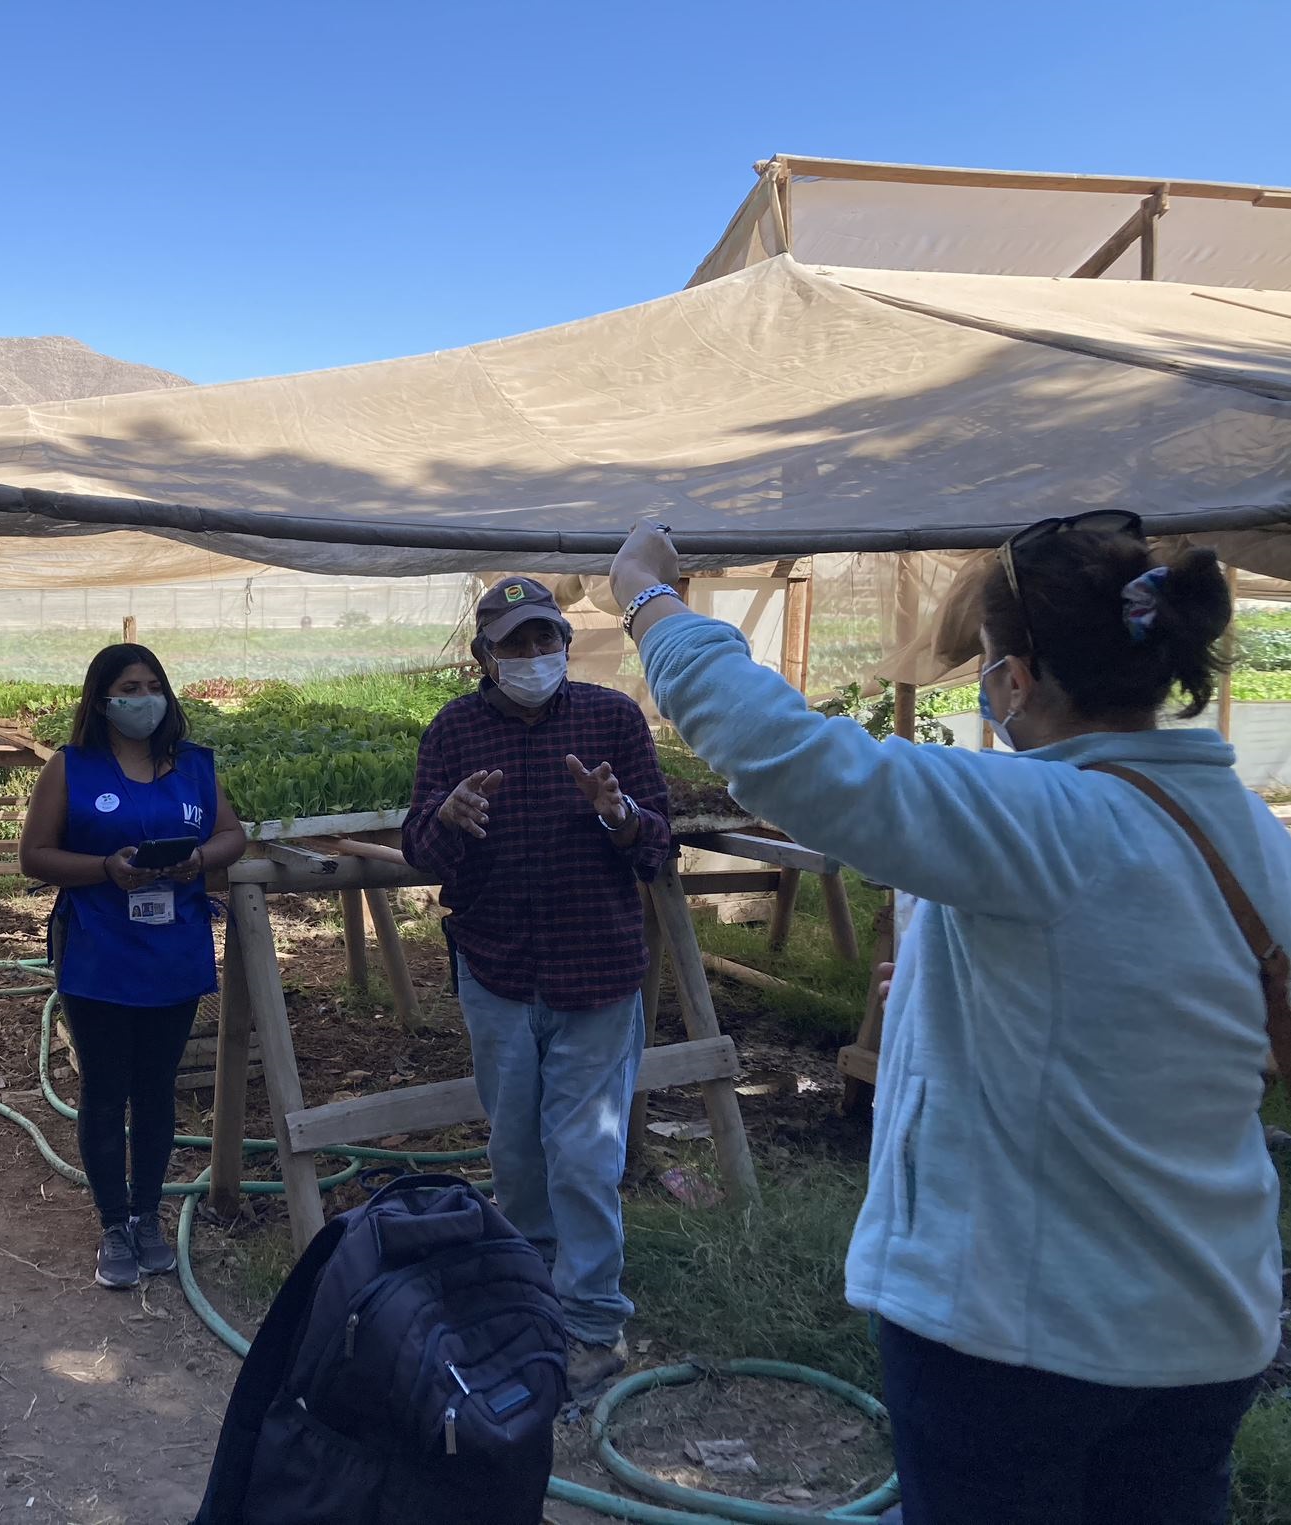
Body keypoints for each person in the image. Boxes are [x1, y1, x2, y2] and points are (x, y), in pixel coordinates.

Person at [613, 515, 1290, 1525]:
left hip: (1026, 1337)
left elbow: (785, 754)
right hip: (1203, 1326)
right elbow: (1141, 1007)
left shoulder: (1044, 817)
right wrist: (939, 1002)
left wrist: (646, 599)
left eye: (982, 662)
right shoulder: (1249, 834)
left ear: (1018, 677)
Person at [400, 576, 673, 1400]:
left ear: (565, 641)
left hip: (597, 970)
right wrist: (445, 821)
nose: (532, 657)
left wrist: (617, 813)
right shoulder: (452, 730)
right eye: (513, 644)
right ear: (482, 656)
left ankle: (591, 1324)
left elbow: (658, 848)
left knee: (585, 1156)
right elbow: (418, 851)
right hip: (499, 969)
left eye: (544, 639)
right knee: (516, 1153)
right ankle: (528, 1298)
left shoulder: (612, 719)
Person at [18, 643, 247, 1288]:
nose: (141, 698)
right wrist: (104, 870)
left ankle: (147, 1213)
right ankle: (112, 1222)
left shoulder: (193, 767)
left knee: (156, 1088)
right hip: (99, 950)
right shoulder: (71, 768)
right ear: (100, 698)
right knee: (104, 1086)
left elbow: (233, 835)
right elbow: (35, 855)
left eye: (152, 686)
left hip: (172, 950)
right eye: (127, 687)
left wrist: (200, 860)